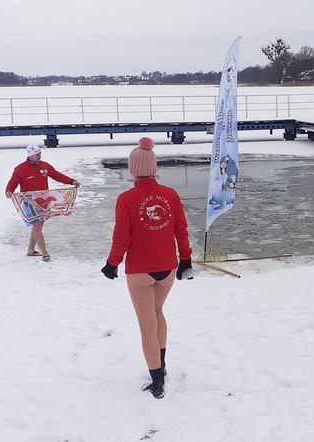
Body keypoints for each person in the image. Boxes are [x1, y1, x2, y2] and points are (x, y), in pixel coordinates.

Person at [101, 137, 193, 399]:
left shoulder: (127, 199)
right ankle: (161, 368)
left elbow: (122, 237)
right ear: (154, 168)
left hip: (140, 270)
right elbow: (181, 230)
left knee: (146, 325)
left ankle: (157, 382)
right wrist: (185, 259)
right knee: (157, 311)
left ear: (133, 170)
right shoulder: (170, 195)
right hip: (168, 268)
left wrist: (112, 263)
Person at [5, 144, 80, 262]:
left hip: (43, 200)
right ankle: (45, 253)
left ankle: (30, 249)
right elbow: (13, 182)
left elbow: (57, 175)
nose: (40, 156)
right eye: (37, 154)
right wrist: (9, 191)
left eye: (40, 153)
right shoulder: (20, 169)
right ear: (30, 155)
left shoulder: (44, 166)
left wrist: (72, 181)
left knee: (38, 226)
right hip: (29, 201)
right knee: (37, 225)